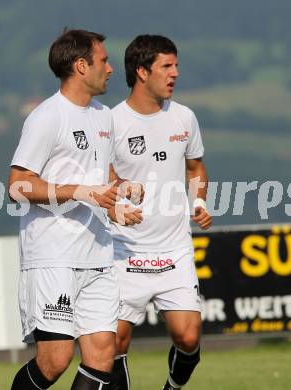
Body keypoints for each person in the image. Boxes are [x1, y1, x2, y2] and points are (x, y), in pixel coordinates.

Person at [8, 29, 142, 390]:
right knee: (55, 360)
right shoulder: (47, 117)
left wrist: (119, 195)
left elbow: (102, 174)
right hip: (53, 255)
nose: (111, 69)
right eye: (103, 61)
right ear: (81, 66)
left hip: (97, 253)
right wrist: (82, 192)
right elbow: (17, 186)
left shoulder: (103, 117)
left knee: (102, 354)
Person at [107, 35, 212, 390]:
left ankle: (172, 387)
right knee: (112, 345)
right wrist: (117, 200)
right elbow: (99, 175)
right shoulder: (112, 122)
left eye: (176, 65)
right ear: (141, 71)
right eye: (166, 66)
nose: (175, 73)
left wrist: (197, 202)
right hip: (123, 251)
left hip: (173, 250)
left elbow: (195, 168)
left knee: (188, 337)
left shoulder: (185, 117)